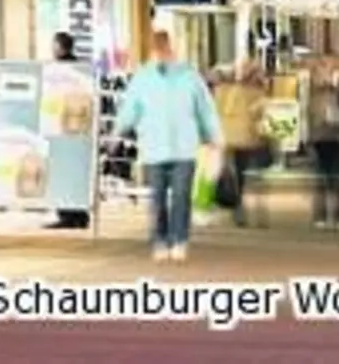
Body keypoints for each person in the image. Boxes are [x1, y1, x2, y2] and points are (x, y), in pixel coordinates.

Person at [115, 29, 222, 262]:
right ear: (153, 49)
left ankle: (179, 239)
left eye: (163, 45)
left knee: (182, 196)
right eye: (157, 46)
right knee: (158, 198)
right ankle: (160, 239)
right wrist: (119, 128)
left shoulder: (189, 76)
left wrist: (213, 135)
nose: (161, 50)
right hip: (154, 147)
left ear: (170, 46)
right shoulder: (143, 78)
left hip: (184, 146)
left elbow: (205, 108)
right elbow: (131, 108)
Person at [215, 62, 269, 228]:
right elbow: (259, 113)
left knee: (237, 174)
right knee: (249, 175)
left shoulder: (224, 91)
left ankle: (239, 207)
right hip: (248, 138)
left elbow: (218, 112)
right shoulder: (255, 93)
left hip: (229, 138)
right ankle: (250, 209)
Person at [49, 32, 91, 230]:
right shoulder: (81, 69)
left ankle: (66, 214)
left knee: (61, 170)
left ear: (60, 47)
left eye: (54, 45)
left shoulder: (57, 70)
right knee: (76, 171)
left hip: (61, 125)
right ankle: (80, 214)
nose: (52, 49)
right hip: (80, 125)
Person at [306, 63, 339, 229]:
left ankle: (325, 216)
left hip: (325, 140)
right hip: (331, 139)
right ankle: (337, 216)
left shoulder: (315, 98)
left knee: (325, 179)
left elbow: (311, 120)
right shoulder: (336, 96)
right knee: (335, 179)